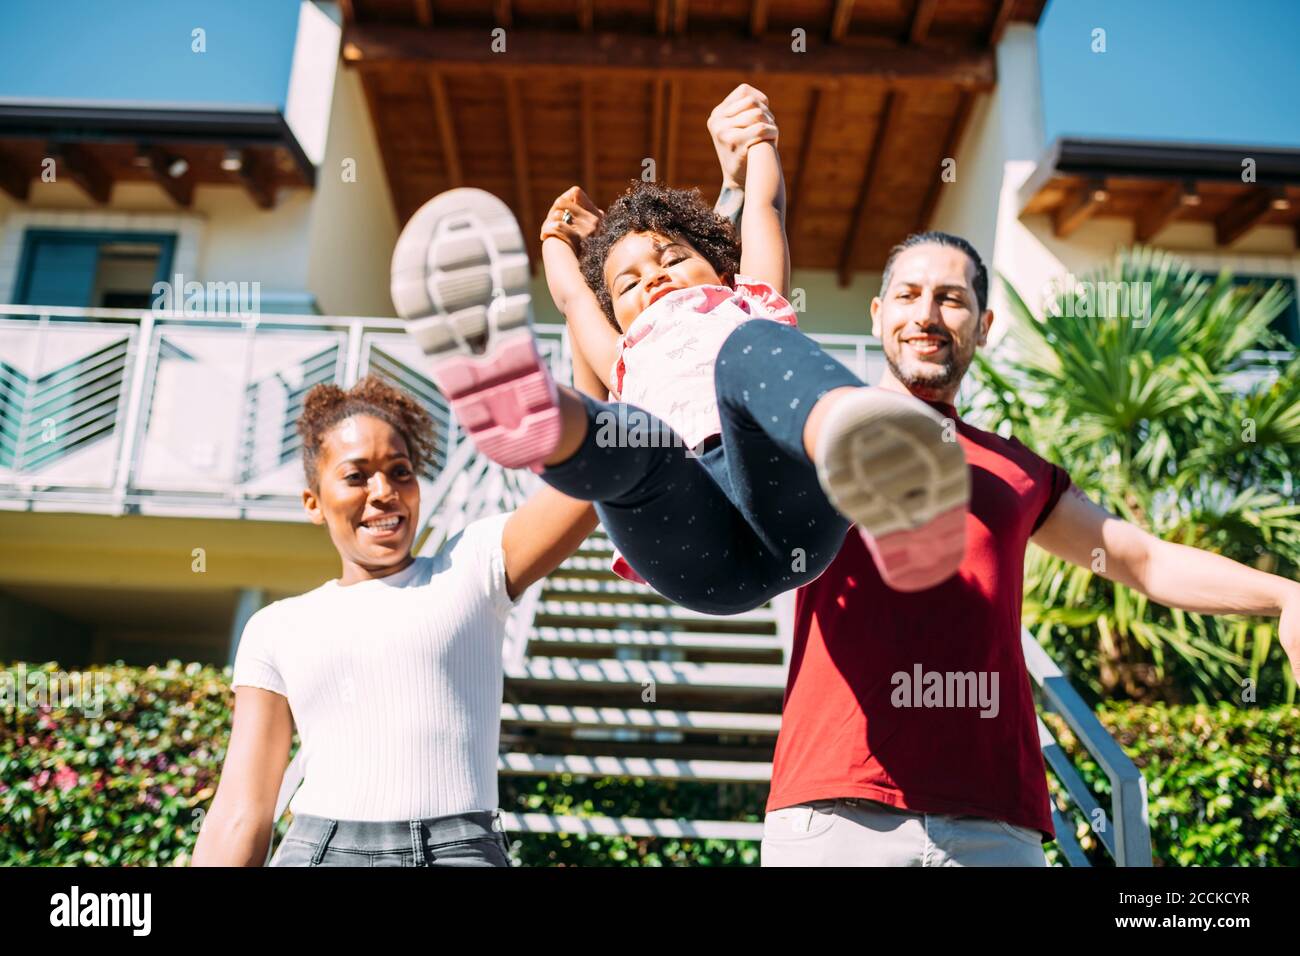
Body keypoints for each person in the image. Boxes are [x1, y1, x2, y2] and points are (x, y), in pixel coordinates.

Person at [759, 230, 1300, 866]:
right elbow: (753, 324)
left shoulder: (1017, 470)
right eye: (908, 295)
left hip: (996, 826)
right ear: (879, 315)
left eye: (951, 299)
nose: (928, 315)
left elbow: (1140, 558)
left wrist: (1284, 594)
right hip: (838, 811)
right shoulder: (819, 431)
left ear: (983, 326)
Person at [387, 85, 968, 617]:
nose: (655, 279)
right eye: (628, 283)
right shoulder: (623, 349)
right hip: (693, 546)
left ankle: (860, 443)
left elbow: (766, 207)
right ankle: (527, 403)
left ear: (721, 264)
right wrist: (555, 236)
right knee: (628, 435)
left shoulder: (747, 300)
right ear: (614, 308)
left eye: (670, 259)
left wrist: (758, 140)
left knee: (756, 345)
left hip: (789, 502)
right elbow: (570, 297)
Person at [192, 377, 597, 866]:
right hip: (320, 853)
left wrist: (579, 308)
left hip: (460, 851)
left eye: (400, 471)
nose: (383, 492)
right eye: (356, 476)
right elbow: (241, 810)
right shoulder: (276, 627)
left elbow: (592, 480)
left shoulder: (469, 568)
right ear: (313, 503)